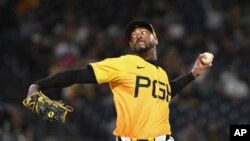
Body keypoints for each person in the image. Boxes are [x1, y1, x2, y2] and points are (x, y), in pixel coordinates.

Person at [25, 20, 212, 141]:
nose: (137, 34)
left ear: (156, 38)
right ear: (131, 45)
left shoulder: (161, 74)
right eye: (133, 35)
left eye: (143, 31)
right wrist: (39, 84)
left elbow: (167, 91)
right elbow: (77, 75)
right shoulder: (124, 64)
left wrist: (193, 74)